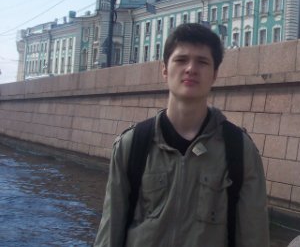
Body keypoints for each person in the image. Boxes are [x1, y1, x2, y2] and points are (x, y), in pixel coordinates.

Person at [94, 23, 269, 247]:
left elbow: (254, 237)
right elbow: (110, 233)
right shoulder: (132, 145)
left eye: (202, 62)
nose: (191, 68)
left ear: (215, 74)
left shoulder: (239, 150)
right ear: (165, 70)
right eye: (181, 60)